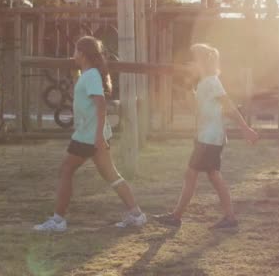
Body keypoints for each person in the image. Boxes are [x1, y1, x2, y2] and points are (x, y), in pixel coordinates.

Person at [34, 36, 147, 232]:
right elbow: (86, 93)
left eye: (76, 51)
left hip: (88, 135)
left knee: (66, 170)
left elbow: (101, 105)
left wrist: (97, 137)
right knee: (111, 175)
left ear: (83, 54)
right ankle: (136, 215)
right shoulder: (88, 74)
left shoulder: (92, 75)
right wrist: (76, 74)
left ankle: (58, 220)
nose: (73, 54)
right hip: (92, 133)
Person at [153, 43, 259, 229]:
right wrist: (187, 87)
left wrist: (245, 128)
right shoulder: (203, 83)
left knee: (197, 174)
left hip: (210, 138)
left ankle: (179, 217)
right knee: (209, 175)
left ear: (201, 62)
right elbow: (195, 110)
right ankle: (226, 217)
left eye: (192, 59)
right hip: (205, 136)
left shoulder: (212, 82)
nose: (188, 63)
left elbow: (229, 107)